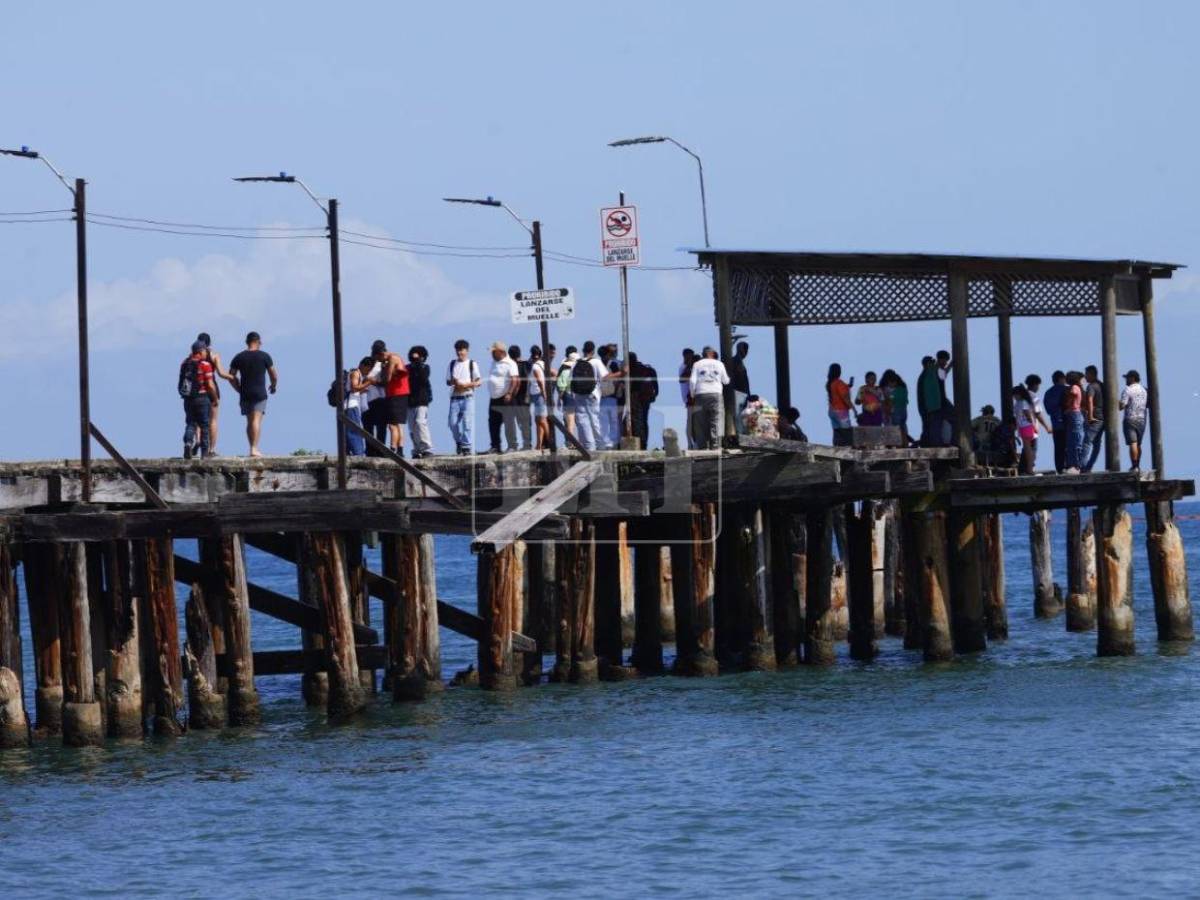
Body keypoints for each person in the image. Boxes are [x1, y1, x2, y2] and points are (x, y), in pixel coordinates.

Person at [228, 331, 277, 458]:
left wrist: (238, 389)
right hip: (259, 392)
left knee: (250, 421)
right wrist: (273, 385)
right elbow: (273, 374)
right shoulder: (264, 356)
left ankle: (251, 447)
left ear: (247, 342)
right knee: (256, 420)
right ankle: (254, 449)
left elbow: (231, 376)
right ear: (258, 342)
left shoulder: (239, 357)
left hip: (245, 393)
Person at [179, 339, 218, 459]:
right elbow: (210, 385)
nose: (207, 353)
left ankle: (188, 443)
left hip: (188, 399)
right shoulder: (205, 365)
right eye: (205, 350)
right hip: (202, 398)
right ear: (200, 351)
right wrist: (214, 398)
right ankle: (204, 454)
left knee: (190, 423)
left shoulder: (184, 363)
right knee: (204, 425)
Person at [196, 332, 234, 456]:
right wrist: (232, 377)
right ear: (210, 343)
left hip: (198, 390)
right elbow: (221, 374)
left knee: (198, 421)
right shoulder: (214, 356)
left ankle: (197, 441)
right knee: (213, 420)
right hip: (212, 389)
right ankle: (211, 450)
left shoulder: (193, 357)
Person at [688, 346, 730, 450]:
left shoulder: (697, 364)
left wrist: (693, 395)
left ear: (703, 354)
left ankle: (702, 446)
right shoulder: (719, 364)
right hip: (716, 394)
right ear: (713, 353)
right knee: (716, 419)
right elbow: (726, 381)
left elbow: (692, 381)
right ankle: (715, 445)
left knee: (700, 421)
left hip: (700, 394)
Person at [446, 339, 481, 456]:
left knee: (467, 423)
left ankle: (466, 446)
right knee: (452, 423)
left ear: (467, 350)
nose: (459, 353)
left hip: (468, 397)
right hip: (455, 398)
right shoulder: (452, 364)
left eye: (462, 350)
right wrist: (455, 382)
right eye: (458, 350)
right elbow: (447, 381)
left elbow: (478, 381)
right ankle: (459, 442)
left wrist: (466, 385)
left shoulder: (472, 364)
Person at [372, 339, 409, 453]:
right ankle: (400, 449)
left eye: (378, 358)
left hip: (396, 394)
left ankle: (393, 449)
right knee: (398, 424)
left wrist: (374, 382)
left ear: (381, 354)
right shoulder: (392, 359)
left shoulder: (393, 359)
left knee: (392, 425)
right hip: (399, 393)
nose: (378, 361)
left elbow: (387, 380)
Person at [570, 340, 606, 451]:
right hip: (592, 395)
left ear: (583, 350)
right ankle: (600, 446)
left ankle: (589, 447)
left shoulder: (576, 362)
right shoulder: (596, 362)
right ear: (593, 350)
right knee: (595, 420)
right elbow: (604, 377)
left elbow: (571, 380)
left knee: (582, 421)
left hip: (579, 394)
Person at [487, 341, 519, 453]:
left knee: (508, 422)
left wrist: (510, 393)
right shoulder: (494, 363)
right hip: (494, 397)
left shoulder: (510, 363)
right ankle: (495, 446)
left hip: (505, 397)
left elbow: (515, 379)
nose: (492, 354)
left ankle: (512, 445)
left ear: (501, 352)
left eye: (494, 352)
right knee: (493, 423)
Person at [343, 356, 374, 457]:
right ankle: (358, 453)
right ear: (365, 366)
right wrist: (368, 383)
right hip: (351, 406)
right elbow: (354, 388)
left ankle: (349, 452)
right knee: (354, 431)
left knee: (351, 430)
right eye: (368, 370)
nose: (368, 373)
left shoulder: (357, 374)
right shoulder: (356, 373)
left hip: (351, 406)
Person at [406, 346, 434, 458]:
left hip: (422, 400)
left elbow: (423, 378)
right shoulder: (407, 368)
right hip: (410, 400)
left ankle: (427, 448)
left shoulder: (425, 367)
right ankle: (417, 449)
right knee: (412, 426)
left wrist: (417, 363)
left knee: (420, 422)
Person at [628, 351, 658, 448]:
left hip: (635, 398)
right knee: (644, 420)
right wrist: (652, 396)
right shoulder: (648, 369)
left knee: (635, 421)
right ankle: (644, 444)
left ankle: (638, 443)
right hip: (646, 399)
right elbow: (656, 388)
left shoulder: (631, 370)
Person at [1119, 369, 1148, 471]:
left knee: (1133, 443)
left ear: (1132, 378)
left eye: (1127, 378)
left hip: (1130, 418)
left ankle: (1134, 465)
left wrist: (1117, 403)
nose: (1126, 380)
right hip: (1142, 419)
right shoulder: (1144, 390)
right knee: (1138, 444)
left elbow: (1122, 405)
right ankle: (1138, 465)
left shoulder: (1128, 389)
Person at [1079, 365, 1105, 473]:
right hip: (1103, 418)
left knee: (1087, 442)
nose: (1085, 377)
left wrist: (1089, 416)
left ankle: (1082, 466)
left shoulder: (1091, 386)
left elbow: (1089, 400)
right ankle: (1089, 466)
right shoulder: (1102, 385)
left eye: (1086, 374)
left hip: (1094, 417)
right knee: (1097, 444)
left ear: (1091, 374)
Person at [1042, 370, 1068, 473]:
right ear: (1061, 379)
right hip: (1067, 423)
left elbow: (1048, 410)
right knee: (1068, 446)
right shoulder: (1067, 390)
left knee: (1058, 448)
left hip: (1056, 424)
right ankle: (1068, 466)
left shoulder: (1048, 393)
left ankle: (1060, 468)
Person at [508, 344, 533, 451]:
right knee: (525, 422)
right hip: (526, 396)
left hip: (514, 396)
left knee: (511, 421)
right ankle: (527, 444)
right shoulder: (527, 364)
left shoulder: (511, 366)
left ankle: (513, 445)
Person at [598, 344, 621, 450]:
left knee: (609, 421)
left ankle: (611, 442)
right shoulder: (607, 364)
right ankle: (609, 442)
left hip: (608, 396)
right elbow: (619, 375)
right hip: (605, 397)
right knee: (608, 421)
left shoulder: (611, 364)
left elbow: (618, 376)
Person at [1012, 386, 1039, 474]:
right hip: (1025, 426)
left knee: (1028, 448)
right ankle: (1029, 468)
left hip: (1025, 426)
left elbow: (1028, 414)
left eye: (1015, 394)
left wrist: (1033, 425)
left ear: (1019, 394)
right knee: (1029, 448)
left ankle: (1029, 468)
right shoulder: (1021, 402)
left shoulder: (1021, 403)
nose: (1014, 397)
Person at [1063, 371, 1086, 473]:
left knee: (1076, 439)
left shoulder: (1074, 387)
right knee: (1074, 439)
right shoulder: (1077, 387)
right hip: (1075, 414)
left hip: (1074, 413)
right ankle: (1075, 464)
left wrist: (1068, 404)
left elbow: (1073, 395)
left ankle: (1076, 464)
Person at [528, 345, 550, 450]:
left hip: (538, 394)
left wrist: (543, 391)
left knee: (541, 419)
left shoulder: (535, 366)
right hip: (537, 394)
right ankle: (539, 444)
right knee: (538, 420)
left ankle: (550, 440)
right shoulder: (543, 364)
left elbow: (539, 380)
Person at [726, 341, 750, 434]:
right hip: (738, 393)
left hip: (741, 393)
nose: (746, 353)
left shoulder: (737, 361)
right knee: (739, 416)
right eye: (745, 350)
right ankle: (738, 434)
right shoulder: (736, 361)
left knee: (740, 415)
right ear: (741, 349)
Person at [557, 345, 580, 439]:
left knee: (569, 422)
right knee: (578, 422)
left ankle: (570, 442)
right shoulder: (580, 372)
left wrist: (559, 399)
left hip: (568, 397)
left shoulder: (565, 372)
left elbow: (561, 388)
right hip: (580, 397)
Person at [881, 369, 910, 444]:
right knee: (903, 428)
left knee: (895, 428)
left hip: (893, 411)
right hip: (903, 409)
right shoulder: (903, 387)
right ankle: (905, 443)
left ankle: (896, 444)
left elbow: (888, 402)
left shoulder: (887, 389)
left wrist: (887, 412)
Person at [826, 363, 853, 438]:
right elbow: (845, 397)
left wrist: (848, 386)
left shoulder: (830, 383)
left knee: (837, 431)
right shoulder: (839, 383)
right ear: (839, 371)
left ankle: (837, 446)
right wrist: (853, 409)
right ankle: (847, 446)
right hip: (841, 411)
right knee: (846, 431)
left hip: (832, 410)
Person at [679, 348, 697, 450]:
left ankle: (693, 442)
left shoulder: (689, 367)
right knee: (690, 422)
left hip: (692, 397)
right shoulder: (683, 367)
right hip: (688, 398)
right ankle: (690, 443)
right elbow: (682, 379)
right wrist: (691, 365)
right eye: (690, 356)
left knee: (694, 421)